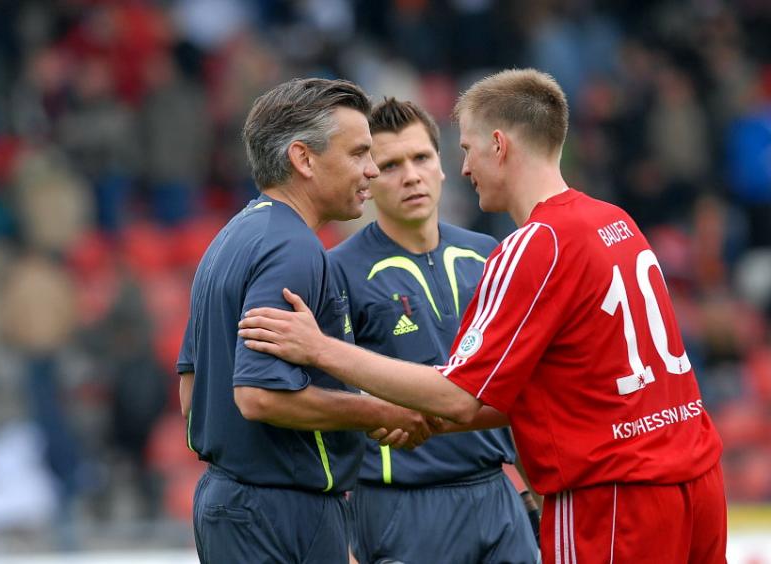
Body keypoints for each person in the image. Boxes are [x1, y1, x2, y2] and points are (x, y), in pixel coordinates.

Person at [238, 69, 727, 563]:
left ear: (498, 146)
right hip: (694, 473)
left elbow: (460, 396)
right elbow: (556, 387)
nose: (464, 167)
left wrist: (319, 348)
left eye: (465, 149)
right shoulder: (614, 220)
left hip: (616, 490)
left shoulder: (533, 243)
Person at [177, 77, 432, 564]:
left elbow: (191, 392)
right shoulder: (293, 248)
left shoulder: (232, 236)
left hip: (236, 504)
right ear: (304, 158)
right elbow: (258, 396)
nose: (372, 170)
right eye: (359, 152)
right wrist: (382, 412)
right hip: (279, 511)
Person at [331, 97, 539, 563]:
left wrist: (532, 491)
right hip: (399, 507)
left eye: (421, 157)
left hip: (496, 496)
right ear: (367, 177)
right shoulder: (338, 273)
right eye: (389, 165)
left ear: (442, 166)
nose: (410, 175)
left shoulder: (490, 255)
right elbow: (330, 408)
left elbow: (520, 391)